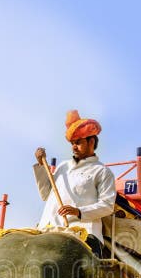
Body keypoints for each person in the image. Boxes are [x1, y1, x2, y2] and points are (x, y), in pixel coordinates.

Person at [33, 110, 116, 257]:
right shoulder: (63, 167)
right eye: (72, 143)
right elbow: (46, 195)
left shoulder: (102, 172)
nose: (74, 147)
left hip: (83, 232)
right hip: (49, 229)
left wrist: (78, 212)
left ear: (91, 142)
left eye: (78, 142)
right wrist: (40, 165)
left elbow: (107, 206)